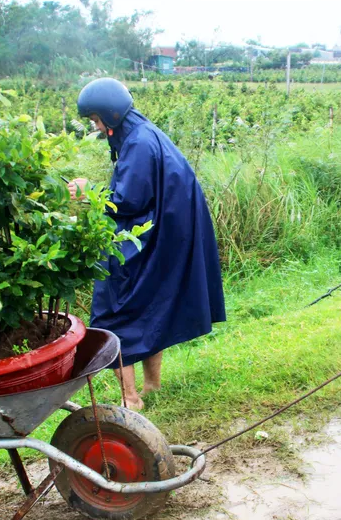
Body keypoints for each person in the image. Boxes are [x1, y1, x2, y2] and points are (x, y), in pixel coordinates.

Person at [71, 78, 226, 411]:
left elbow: (128, 200)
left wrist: (88, 191)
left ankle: (131, 398)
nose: (96, 127)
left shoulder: (139, 143)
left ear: (111, 115)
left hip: (153, 238)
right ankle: (152, 387)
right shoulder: (141, 133)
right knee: (147, 307)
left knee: (112, 313)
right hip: (165, 237)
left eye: (96, 119)